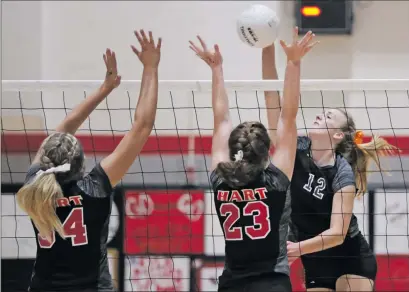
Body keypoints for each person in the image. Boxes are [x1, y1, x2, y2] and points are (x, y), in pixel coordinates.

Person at [16, 29, 162, 292]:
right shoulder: (94, 188)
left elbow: (60, 132)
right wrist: (150, 68)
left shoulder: (34, 184)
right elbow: (143, 126)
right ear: (81, 163)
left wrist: (104, 89)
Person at [263, 34, 398, 291]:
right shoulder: (296, 149)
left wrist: (296, 249)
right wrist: (266, 46)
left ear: (338, 135)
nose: (319, 115)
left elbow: (337, 233)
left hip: (350, 258)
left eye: (328, 116)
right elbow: (273, 104)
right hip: (315, 261)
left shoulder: (341, 173)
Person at [189, 27, 318, 292]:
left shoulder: (220, 178)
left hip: (231, 283)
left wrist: (217, 70)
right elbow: (287, 117)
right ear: (266, 151)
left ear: (231, 147)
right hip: (272, 282)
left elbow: (220, 119)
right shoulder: (276, 181)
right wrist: (294, 62)